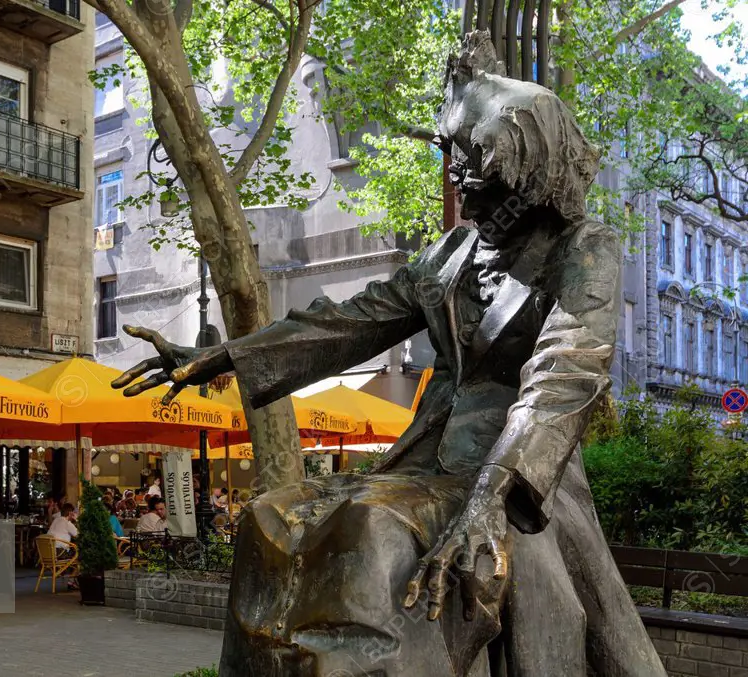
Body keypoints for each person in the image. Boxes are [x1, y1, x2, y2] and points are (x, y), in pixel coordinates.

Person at [111, 32, 663, 677]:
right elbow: (350, 320)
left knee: (372, 528)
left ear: (528, 170)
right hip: (430, 458)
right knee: (270, 514)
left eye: (474, 166)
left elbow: (565, 374)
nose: (460, 179)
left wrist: (492, 494)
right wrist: (225, 357)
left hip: (515, 472)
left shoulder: (583, 248)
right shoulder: (450, 255)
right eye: (455, 160)